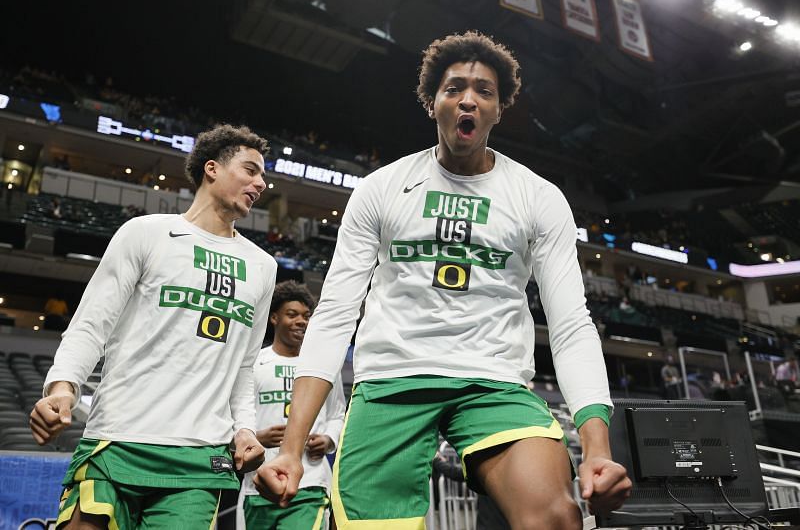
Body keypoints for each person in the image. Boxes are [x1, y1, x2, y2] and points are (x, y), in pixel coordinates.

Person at [255, 31, 631, 529]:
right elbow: (336, 315)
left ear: (499, 109)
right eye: (454, 88)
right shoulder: (381, 189)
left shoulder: (539, 198)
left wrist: (597, 446)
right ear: (433, 103)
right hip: (392, 381)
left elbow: (571, 325)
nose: (469, 99)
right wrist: (292, 451)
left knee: (555, 517)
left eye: (484, 91)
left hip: (492, 382)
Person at [30, 124, 277, 529]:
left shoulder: (263, 266)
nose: (261, 183)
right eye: (251, 170)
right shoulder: (146, 233)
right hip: (117, 439)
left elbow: (245, 365)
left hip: (199, 458)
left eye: (263, 176)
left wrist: (246, 430)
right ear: (211, 168)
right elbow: (91, 325)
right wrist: (62, 388)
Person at [239, 280, 345, 529]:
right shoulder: (254, 363)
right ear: (274, 318)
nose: (301, 321)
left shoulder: (323, 366)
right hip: (258, 485)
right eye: (292, 314)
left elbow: (338, 414)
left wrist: (329, 439)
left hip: (310, 483)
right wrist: (256, 438)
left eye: (306, 316)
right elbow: (238, 414)